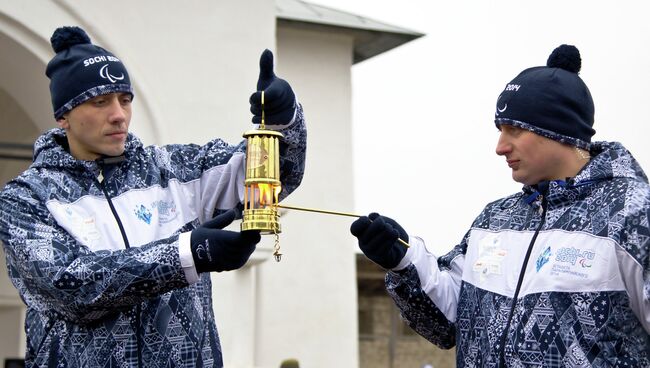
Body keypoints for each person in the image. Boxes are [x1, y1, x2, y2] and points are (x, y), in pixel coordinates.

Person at [0, 26, 306, 367]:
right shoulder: (26, 199)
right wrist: (186, 254)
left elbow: (271, 177)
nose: (118, 114)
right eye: (100, 102)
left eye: (125, 99)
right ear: (63, 116)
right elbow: (71, 287)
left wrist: (283, 122)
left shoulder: (176, 170)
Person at [350, 45, 649, 367]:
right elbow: (448, 322)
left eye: (514, 130)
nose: (500, 147)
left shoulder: (633, 215)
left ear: (557, 131)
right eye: (500, 130)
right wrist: (404, 260)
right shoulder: (496, 218)